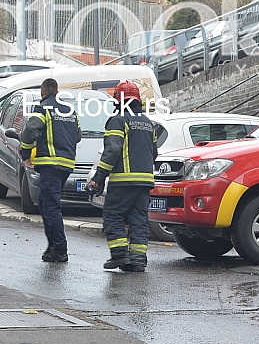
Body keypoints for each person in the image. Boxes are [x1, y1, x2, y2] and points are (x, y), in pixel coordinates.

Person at [87, 81, 164, 272]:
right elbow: (154, 153)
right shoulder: (148, 123)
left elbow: (112, 151)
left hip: (123, 180)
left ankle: (120, 254)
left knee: (113, 215)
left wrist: (99, 177)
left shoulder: (118, 120)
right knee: (139, 219)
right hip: (145, 181)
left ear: (118, 100)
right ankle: (137, 260)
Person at [18, 78, 81, 263]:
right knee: (45, 204)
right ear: (58, 91)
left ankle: (60, 249)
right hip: (66, 165)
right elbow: (78, 135)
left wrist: (26, 154)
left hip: (50, 165)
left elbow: (29, 131)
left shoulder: (42, 109)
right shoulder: (70, 110)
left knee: (51, 207)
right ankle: (52, 246)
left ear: (42, 92)